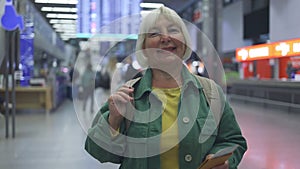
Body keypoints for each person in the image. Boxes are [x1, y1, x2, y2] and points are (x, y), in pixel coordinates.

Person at [85, 6, 247, 169]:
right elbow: (97, 151)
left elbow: (233, 141)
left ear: (184, 43)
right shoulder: (128, 96)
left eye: (173, 30)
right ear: (144, 48)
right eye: (154, 33)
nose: (165, 37)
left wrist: (225, 162)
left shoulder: (211, 93)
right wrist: (114, 120)